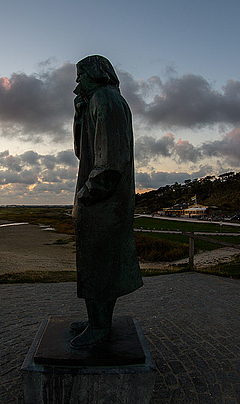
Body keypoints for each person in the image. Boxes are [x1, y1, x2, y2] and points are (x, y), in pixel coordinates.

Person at [70, 55, 143, 349]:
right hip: (101, 198)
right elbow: (81, 151)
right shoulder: (96, 101)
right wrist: (79, 115)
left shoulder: (107, 100)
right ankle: (96, 320)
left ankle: (99, 326)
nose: (77, 84)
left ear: (97, 74)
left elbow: (111, 159)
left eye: (80, 75)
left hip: (104, 200)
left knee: (99, 263)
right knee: (96, 264)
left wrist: (88, 192)